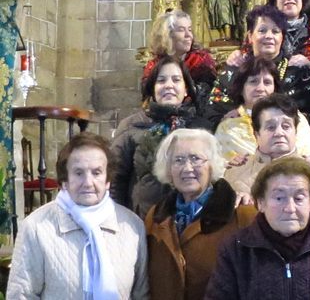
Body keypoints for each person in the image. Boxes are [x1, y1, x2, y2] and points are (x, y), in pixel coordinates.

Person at [205, 157, 310, 299]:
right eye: (279, 198)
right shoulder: (236, 248)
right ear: (260, 203)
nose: (290, 208)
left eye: (299, 198)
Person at [7, 133, 149, 299]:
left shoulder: (132, 227)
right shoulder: (36, 227)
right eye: (78, 173)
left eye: (96, 173)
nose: (88, 182)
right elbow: (21, 294)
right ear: (64, 180)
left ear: (108, 180)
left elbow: (142, 294)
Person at [145, 128, 257, 300]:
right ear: (168, 169)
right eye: (178, 160)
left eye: (195, 159)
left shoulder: (242, 215)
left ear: (211, 165)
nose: (187, 168)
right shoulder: (155, 216)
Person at [111, 55, 212, 218]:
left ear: (186, 88)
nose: (169, 85)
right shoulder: (131, 126)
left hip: (190, 223)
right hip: (143, 220)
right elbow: (115, 179)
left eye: (176, 80)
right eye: (161, 80)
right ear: (152, 88)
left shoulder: (201, 128)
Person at [225, 94, 310, 223]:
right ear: (256, 134)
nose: (279, 133)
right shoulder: (235, 171)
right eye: (271, 127)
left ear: (295, 131)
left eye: (286, 126)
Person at [207, 5, 310, 132]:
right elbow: (211, 112)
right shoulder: (235, 69)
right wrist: (225, 120)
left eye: (275, 31)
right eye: (262, 30)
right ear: (250, 36)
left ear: (282, 37)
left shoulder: (297, 71)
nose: (269, 36)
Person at [214, 56, 310, 161]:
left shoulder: (294, 118)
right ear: (241, 88)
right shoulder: (228, 127)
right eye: (253, 81)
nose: (261, 88)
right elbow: (221, 169)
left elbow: (309, 158)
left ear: (275, 88)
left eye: (267, 82)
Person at [143, 9, 217, 101]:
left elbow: (208, 96)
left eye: (189, 30)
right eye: (181, 30)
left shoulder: (201, 61)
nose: (188, 35)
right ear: (167, 34)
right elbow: (147, 98)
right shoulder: (154, 65)